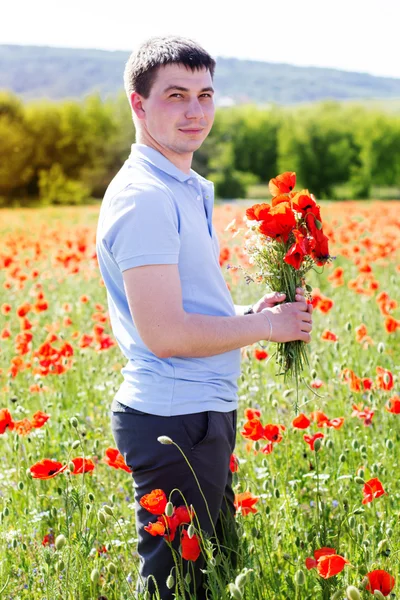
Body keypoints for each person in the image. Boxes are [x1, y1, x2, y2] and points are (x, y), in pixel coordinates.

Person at [95, 35, 313, 599]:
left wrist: (248, 312)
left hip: (196, 414)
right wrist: (268, 328)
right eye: (175, 95)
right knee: (180, 587)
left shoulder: (179, 188)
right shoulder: (145, 198)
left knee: (212, 578)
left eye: (205, 94)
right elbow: (166, 334)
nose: (195, 111)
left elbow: (183, 310)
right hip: (175, 419)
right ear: (138, 105)